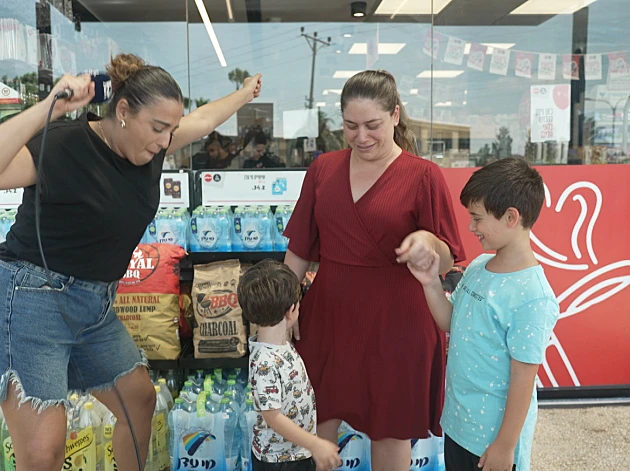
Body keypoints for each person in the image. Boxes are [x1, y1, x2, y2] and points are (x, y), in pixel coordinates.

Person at [0, 53, 261, 471]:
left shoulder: (151, 147)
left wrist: (244, 93)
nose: (165, 141)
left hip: (94, 305)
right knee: (43, 451)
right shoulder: (63, 144)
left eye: (170, 130)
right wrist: (50, 107)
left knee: (139, 402)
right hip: (32, 299)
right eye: (158, 128)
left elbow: (203, 120)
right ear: (123, 111)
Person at [282, 69, 465, 471]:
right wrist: (278, 313)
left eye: (372, 125)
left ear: (396, 116)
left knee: (390, 430)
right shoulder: (323, 170)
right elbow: (298, 250)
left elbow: (450, 255)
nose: (361, 136)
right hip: (328, 315)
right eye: (351, 126)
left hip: (397, 321)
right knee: (315, 422)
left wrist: (426, 243)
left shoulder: (423, 175)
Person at [409, 158, 560, 471]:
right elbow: (453, 323)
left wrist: (504, 446)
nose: (470, 227)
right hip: (457, 425)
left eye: (477, 218)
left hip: (492, 443)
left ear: (510, 217)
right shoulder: (478, 267)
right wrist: (429, 283)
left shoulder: (533, 296)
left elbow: (523, 378)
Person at [237, 260, 342, 471]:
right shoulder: (265, 362)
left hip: (294, 452)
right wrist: (315, 443)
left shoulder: (279, 343)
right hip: (281, 460)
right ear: (291, 311)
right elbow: (273, 417)